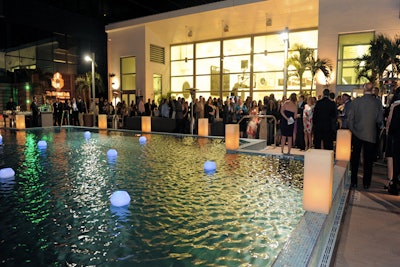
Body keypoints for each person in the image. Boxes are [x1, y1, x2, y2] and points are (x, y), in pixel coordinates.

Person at [348, 82, 384, 189]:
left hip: (357, 133)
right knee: (368, 161)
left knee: (355, 159)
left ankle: (354, 181)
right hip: (370, 134)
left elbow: (350, 119)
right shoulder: (377, 103)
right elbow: (379, 119)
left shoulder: (356, 102)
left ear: (364, 89)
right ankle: (366, 183)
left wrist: (353, 130)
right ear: (372, 90)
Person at [385, 87, 400, 195]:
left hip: (396, 139)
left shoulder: (395, 107)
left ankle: (393, 182)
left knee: (394, 160)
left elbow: (391, 125)